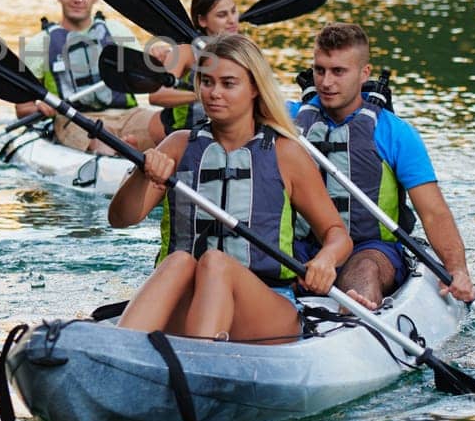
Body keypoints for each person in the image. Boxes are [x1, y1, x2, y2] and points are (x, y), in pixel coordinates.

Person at [108, 33, 352, 343]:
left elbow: (337, 233)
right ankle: (116, 352)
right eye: (206, 82)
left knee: (215, 263)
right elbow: (120, 218)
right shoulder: (178, 146)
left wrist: (326, 259)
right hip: (190, 302)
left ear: (254, 88)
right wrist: (142, 175)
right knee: (180, 261)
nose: (213, 93)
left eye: (228, 83)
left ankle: (199, 365)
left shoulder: (285, 153)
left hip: (263, 308)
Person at [291, 22, 475, 309]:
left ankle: (357, 323)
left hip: (370, 249)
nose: (326, 82)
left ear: (364, 73)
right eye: (319, 70)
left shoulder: (395, 133)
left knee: (364, 271)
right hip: (301, 244)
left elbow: (433, 212)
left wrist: (457, 270)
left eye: (339, 71)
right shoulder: (286, 121)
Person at [15, 0, 155, 153]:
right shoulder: (40, 44)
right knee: (104, 139)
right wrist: (40, 109)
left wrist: (156, 62)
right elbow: (22, 109)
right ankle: (121, 155)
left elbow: (146, 81)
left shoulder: (117, 32)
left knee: (163, 126)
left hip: (127, 115)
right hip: (75, 119)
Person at [143, 0, 239, 147]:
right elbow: (156, 96)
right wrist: (204, 94)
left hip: (224, 134)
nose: (232, 20)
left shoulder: (242, 49)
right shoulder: (186, 51)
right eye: (222, 15)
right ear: (202, 20)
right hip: (185, 136)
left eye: (234, 11)